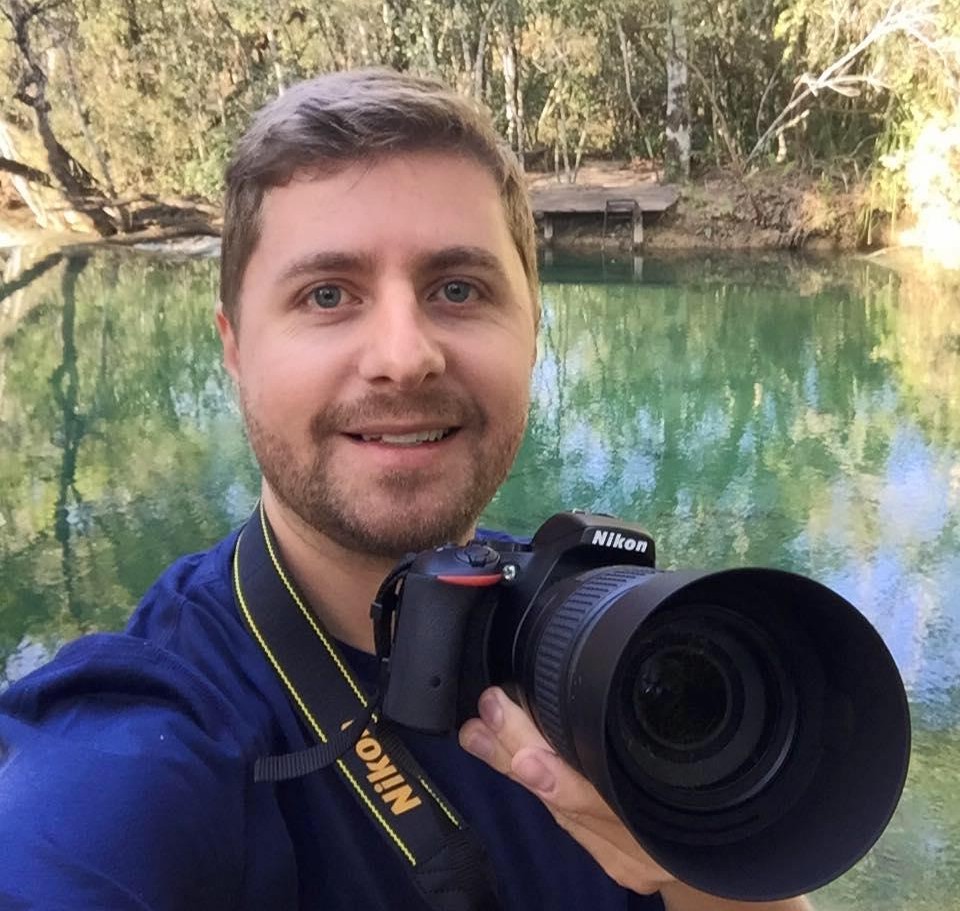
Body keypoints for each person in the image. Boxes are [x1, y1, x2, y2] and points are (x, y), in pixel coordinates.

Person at [0, 69, 812, 911]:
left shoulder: (613, 648)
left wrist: (700, 871)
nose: (404, 355)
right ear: (235, 350)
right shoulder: (148, 734)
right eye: (327, 295)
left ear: (533, 329)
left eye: (457, 289)